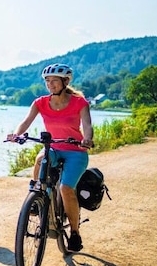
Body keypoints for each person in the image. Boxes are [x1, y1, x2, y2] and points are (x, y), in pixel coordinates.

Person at [6, 63, 94, 252]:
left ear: (65, 81)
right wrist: (16, 135)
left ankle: (75, 233)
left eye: (54, 80)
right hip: (52, 148)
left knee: (66, 188)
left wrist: (87, 139)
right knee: (40, 159)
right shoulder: (40, 102)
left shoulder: (80, 103)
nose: (50, 84)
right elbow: (26, 122)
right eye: (47, 80)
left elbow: (87, 125)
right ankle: (37, 194)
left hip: (75, 151)